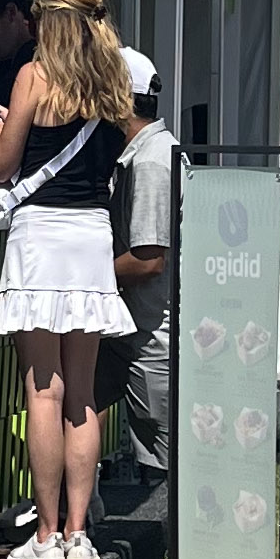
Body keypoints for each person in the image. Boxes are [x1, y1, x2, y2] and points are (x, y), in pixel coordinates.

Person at [0, 0, 138, 559]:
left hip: (40, 237)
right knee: (82, 393)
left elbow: (3, 167)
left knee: (40, 390)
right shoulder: (115, 82)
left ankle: (46, 532)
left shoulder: (33, 77)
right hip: (91, 237)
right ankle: (81, 532)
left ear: (48, 22)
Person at [106, 46, 178, 477]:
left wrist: (85, 274)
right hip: (136, 329)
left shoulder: (151, 162)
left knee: (159, 461)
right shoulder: (149, 153)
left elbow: (149, 260)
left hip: (152, 337)